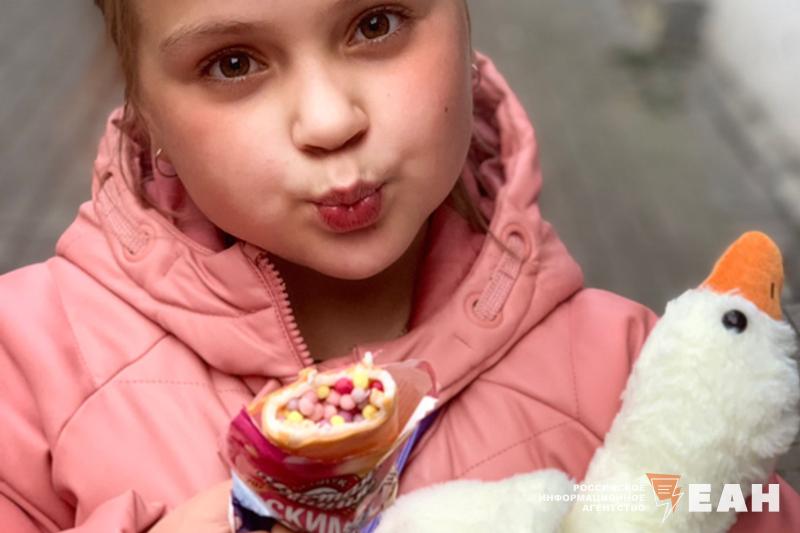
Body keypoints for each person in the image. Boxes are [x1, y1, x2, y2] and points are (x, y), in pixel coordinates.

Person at [0, 1, 798, 532]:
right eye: (233, 63)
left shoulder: (640, 382)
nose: (329, 120)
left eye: (375, 23)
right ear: (145, 112)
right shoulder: (29, 374)